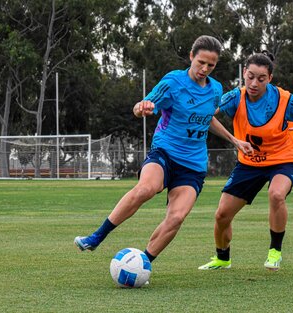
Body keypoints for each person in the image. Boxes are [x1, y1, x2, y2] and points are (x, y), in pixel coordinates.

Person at [74, 35, 253, 267]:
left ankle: (142, 264)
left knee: (177, 217)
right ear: (191, 56)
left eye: (211, 65)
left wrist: (234, 140)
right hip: (165, 153)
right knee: (147, 189)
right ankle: (97, 236)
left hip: (193, 165)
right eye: (201, 62)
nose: (205, 69)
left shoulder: (215, 89)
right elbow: (142, 106)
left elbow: (207, 118)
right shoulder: (173, 82)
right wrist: (142, 107)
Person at [198, 51, 293, 271]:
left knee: (276, 194)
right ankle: (222, 258)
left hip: (284, 158)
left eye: (261, 78)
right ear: (244, 74)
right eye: (250, 77)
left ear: (270, 78)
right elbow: (207, 114)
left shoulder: (284, 99)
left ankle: (275, 251)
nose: (254, 83)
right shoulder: (235, 97)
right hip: (249, 162)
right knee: (222, 215)